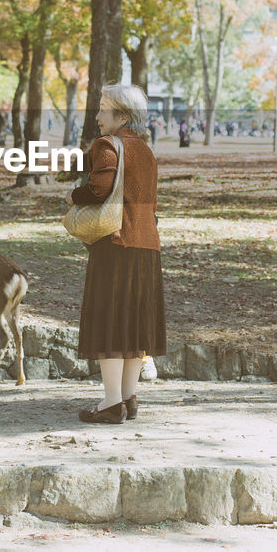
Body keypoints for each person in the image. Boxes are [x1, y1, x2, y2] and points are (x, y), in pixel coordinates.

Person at [70, 84, 166, 424]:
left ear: (122, 116)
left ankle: (111, 402)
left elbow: (99, 189)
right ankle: (128, 398)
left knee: (109, 322)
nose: (97, 117)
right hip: (147, 247)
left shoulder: (107, 145)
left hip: (115, 243)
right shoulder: (146, 151)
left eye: (103, 110)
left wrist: (73, 196)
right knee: (132, 325)